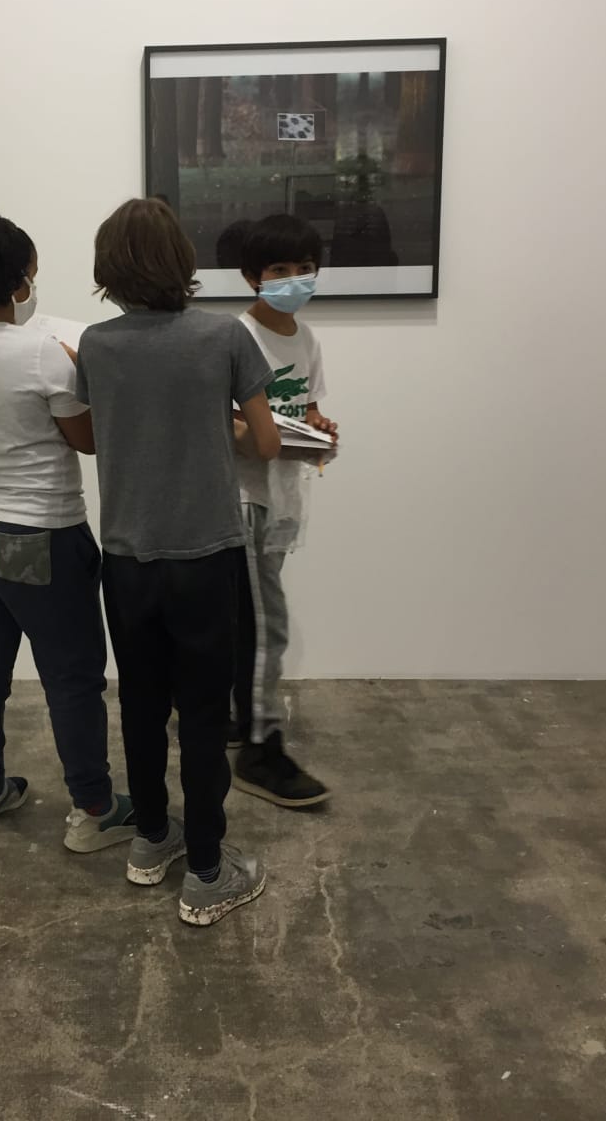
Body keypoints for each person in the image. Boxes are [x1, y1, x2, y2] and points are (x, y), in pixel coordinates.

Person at [75, 199, 280, 927]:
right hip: (205, 556)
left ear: (110, 269)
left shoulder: (96, 345)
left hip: (126, 558)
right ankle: (206, 870)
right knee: (199, 715)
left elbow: (93, 438)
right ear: (182, 261)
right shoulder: (223, 336)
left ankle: (150, 842)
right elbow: (266, 443)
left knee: (138, 704)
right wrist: (215, 420)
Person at [0, 214, 135, 852]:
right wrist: (80, 371)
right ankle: (95, 808)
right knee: (71, 675)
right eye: (31, 272)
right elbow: (89, 442)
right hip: (36, 530)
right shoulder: (41, 350)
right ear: (15, 277)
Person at [231, 213, 335, 807]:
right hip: (248, 498)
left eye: (304, 269)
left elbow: (308, 407)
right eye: (279, 270)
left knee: (250, 619)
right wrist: (270, 436)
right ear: (252, 277)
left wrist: (319, 430)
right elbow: (230, 425)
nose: (294, 279)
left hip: (288, 495)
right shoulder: (237, 338)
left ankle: (239, 720)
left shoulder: (307, 338)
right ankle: (259, 742)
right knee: (268, 624)